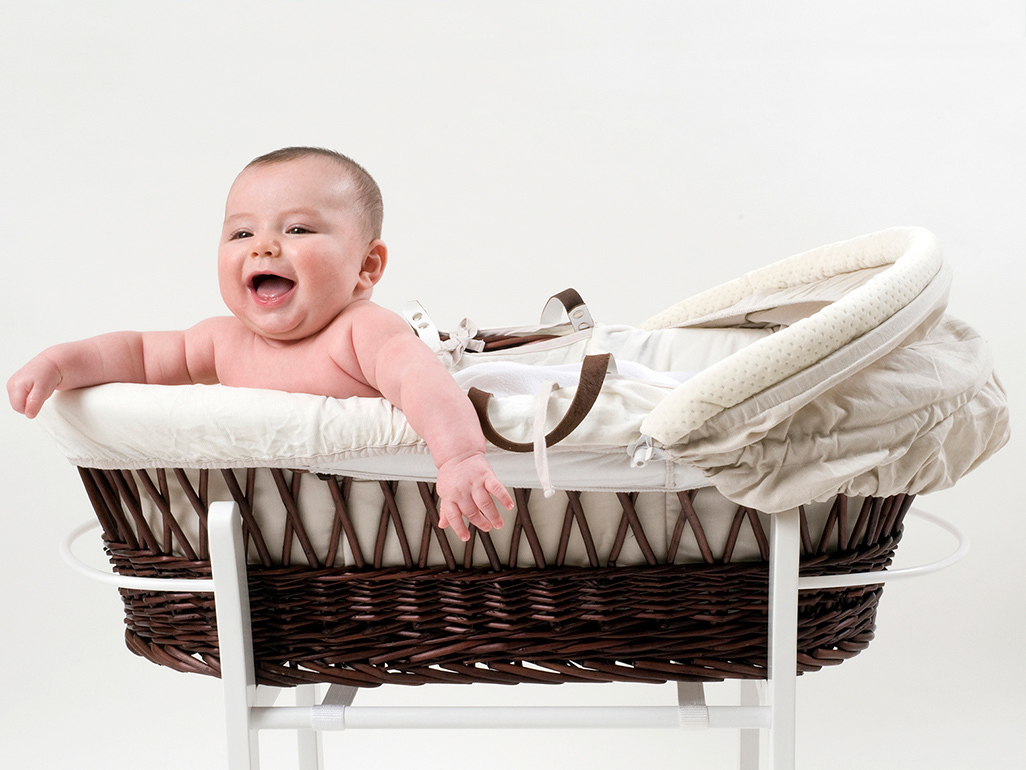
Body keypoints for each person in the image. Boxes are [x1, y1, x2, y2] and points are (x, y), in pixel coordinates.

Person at [7, 146, 513, 541]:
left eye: (297, 228)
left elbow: (422, 381)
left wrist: (459, 459)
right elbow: (136, 354)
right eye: (241, 233)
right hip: (274, 533)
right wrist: (59, 363)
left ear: (367, 266)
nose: (263, 246)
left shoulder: (363, 330)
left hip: (378, 526)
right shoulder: (222, 340)